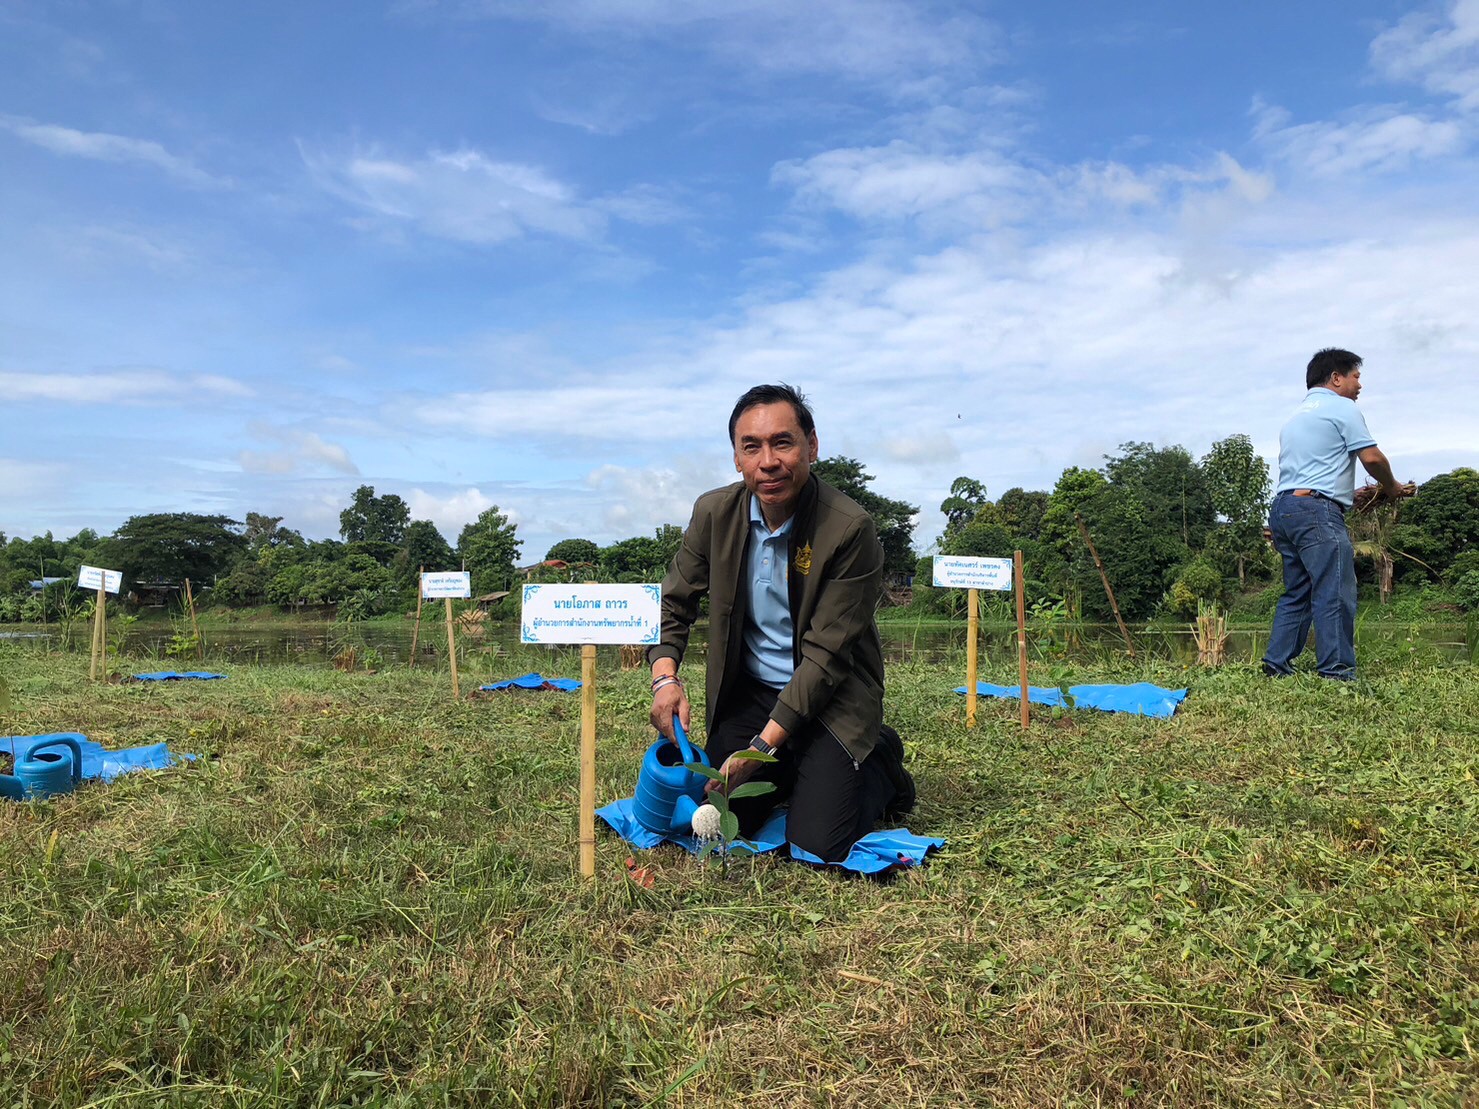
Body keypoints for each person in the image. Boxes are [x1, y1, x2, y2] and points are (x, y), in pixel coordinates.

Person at [647, 384, 914, 863]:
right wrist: (664, 679)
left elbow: (826, 658)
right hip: (753, 694)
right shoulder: (713, 514)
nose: (768, 462)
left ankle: (880, 759)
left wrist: (758, 752)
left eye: (782, 443)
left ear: (812, 446)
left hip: (831, 697)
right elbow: (674, 602)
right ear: (736, 458)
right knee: (718, 815)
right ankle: (793, 764)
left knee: (818, 842)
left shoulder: (848, 529)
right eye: (751, 447)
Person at [1263, 348, 1403, 681]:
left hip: (1284, 509)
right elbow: (1372, 458)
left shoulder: (1296, 418)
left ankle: (1276, 664)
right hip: (1316, 512)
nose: (1360, 385)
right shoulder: (1342, 408)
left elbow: (1312, 474)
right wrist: (1392, 487)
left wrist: (1347, 494)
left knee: (1298, 591)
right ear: (1336, 378)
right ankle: (1336, 671)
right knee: (1334, 590)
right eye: (1356, 376)